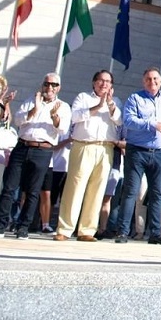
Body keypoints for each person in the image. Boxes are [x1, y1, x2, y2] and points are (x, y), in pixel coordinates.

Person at [0, 73, 69, 239]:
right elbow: (19, 120)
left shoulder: (62, 106)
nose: (49, 88)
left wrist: (54, 116)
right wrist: (34, 109)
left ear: (59, 87)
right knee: (9, 187)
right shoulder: (31, 99)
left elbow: (63, 128)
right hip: (22, 146)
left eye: (54, 85)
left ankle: (24, 227)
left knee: (33, 191)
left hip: (42, 150)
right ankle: (0, 224)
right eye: (47, 84)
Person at [114, 67, 161, 244]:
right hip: (137, 151)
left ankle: (155, 233)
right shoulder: (135, 98)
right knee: (131, 192)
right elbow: (128, 120)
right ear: (144, 82)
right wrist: (152, 125)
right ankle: (122, 232)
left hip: (160, 152)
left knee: (157, 193)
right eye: (148, 79)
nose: (152, 82)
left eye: (155, 79)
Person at [54, 70, 119, 242]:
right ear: (94, 82)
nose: (104, 84)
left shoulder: (116, 102)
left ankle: (87, 230)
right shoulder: (83, 97)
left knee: (97, 191)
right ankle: (65, 229)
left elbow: (120, 121)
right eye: (100, 81)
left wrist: (110, 104)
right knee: (74, 188)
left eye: (108, 81)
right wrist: (98, 106)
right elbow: (74, 117)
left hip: (105, 149)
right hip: (83, 146)